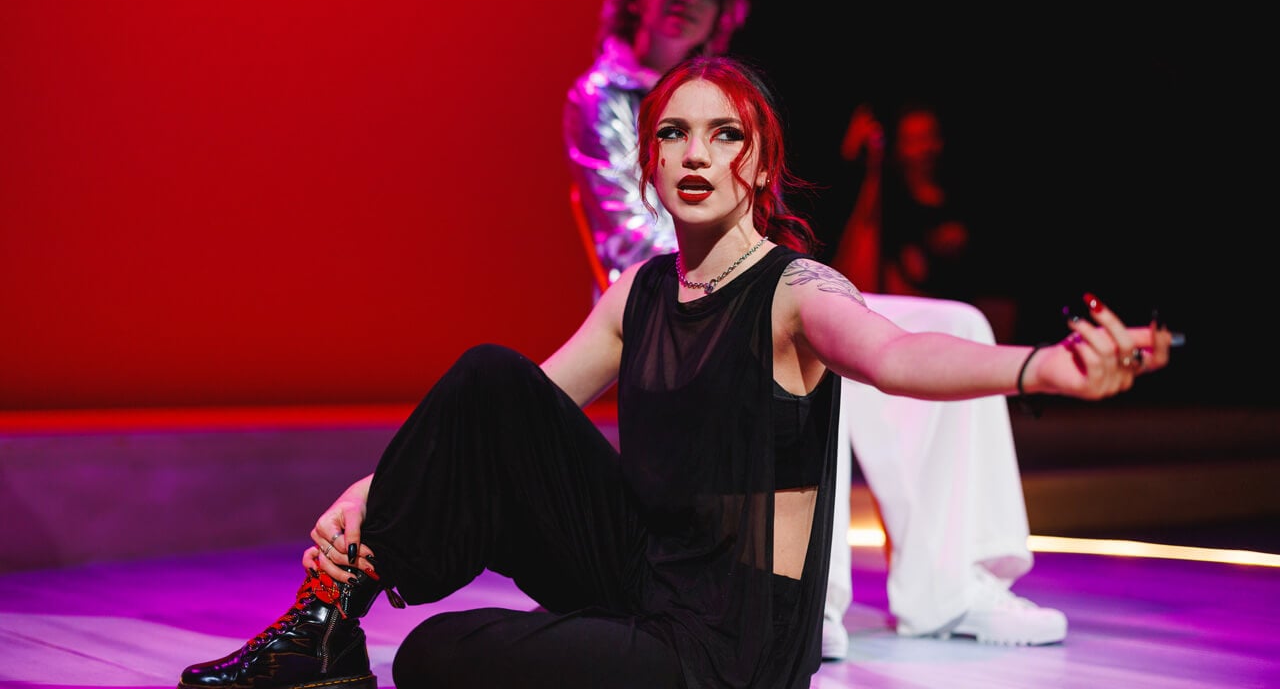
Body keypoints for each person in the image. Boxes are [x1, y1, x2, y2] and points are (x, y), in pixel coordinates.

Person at [177, 55, 1173, 689]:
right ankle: (323, 617)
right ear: (651, 166)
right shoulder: (640, 295)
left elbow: (899, 355)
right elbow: (509, 414)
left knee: (439, 656)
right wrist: (375, 492)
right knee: (488, 377)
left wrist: (1042, 367)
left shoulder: (793, 290)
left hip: (727, 650)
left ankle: (359, 635)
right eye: (672, 134)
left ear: (756, 167)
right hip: (641, 582)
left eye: (722, 135)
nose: (695, 153)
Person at [563, 0, 1068, 658]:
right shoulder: (603, 97)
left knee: (955, 324)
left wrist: (1044, 365)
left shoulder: (730, 92)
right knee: (793, 341)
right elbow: (630, 239)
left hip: (751, 274)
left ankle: (953, 584)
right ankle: (801, 599)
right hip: (675, 303)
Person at [834, 100, 1019, 342]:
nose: (924, 149)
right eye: (913, 141)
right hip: (903, 333)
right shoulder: (888, 206)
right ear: (899, 148)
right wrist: (866, 166)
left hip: (953, 331)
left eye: (928, 138)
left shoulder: (963, 202)